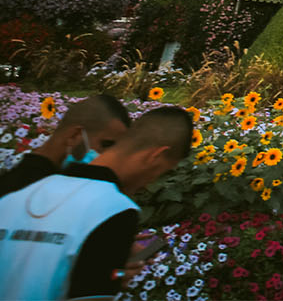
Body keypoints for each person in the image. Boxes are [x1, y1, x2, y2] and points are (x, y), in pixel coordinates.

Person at [0, 105, 193, 300]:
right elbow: (93, 291)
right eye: (162, 172)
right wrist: (113, 273)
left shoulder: (18, 195)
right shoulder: (115, 209)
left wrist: (113, 270)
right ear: (155, 156)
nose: (150, 182)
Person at [0, 94, 131, 199]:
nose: (108, 156)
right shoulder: (28, 192)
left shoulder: (15, 179)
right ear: (74, 135)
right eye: (106, 144)